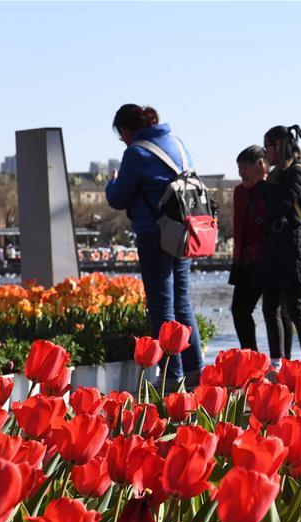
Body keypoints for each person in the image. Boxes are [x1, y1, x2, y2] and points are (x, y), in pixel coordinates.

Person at [105, 103, 203, 388]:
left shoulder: (136, 153)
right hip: (183, 232)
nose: (123, 140)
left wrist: (111, 185)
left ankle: (172, 376)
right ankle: (196, 370)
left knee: (162, 306)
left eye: (121, 134)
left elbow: (119, 198)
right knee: (182, 303)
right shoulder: (178, 145)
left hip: (154, 234)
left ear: (126, 130)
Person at [255, 125, 301, 369]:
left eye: (267, 146)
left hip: (294, 253)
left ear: (279, 146)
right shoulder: (280, 173)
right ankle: (277, 362)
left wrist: (261, 181)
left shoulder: (297, 173)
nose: (265, 152)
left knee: (295, 309)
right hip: (277, 253)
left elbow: (279, 205)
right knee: (271, 308)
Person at [230, 145, 293, 356]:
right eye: (240, 167)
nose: (242, 173)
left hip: (272, 260)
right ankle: (251, 356)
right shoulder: (239, 192)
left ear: (261, 165)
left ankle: (283, 361)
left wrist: (264, 183)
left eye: (246, 167)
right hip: (246, 262)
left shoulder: (274, 189)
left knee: (279, 313)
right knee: (239, 311)